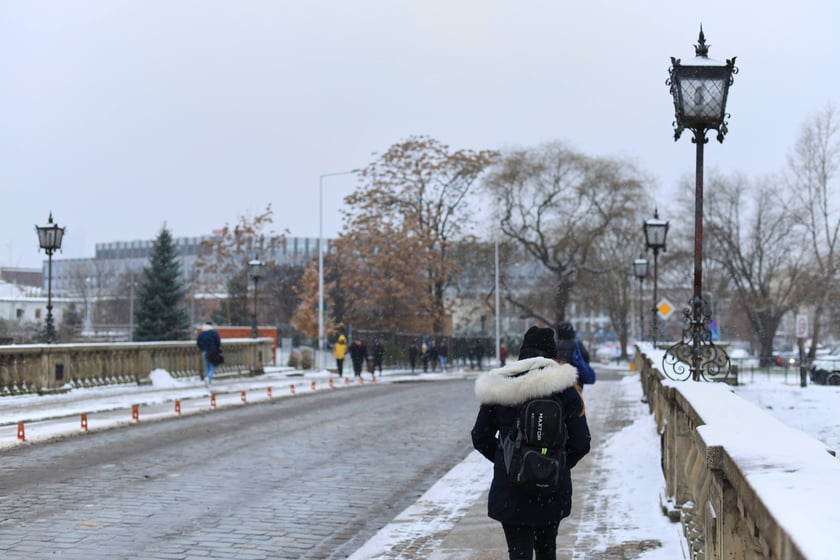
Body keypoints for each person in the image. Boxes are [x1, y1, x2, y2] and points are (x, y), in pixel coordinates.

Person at [471, 326, 591, 560]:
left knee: (519, 553)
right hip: (551, 488)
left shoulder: (499, 384)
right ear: (551, 353)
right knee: (547, 551)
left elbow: (480, 436)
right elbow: (581, 442)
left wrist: (508, 460)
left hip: (511, 488)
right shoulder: (564, 387)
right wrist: (554, 464)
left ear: (522, 352)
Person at [555, 321, 591, 387]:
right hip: (576, 381)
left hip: (558, 380)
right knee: (575, 396)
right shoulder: (577, 344)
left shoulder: (555, 345)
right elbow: (586, 359)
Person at [196, 322, 222, 389]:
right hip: (213, 351)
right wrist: (216, 348)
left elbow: (198, 343)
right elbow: (218, 341)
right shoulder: (213, 333)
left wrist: (203, 348)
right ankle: (208, 378)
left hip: (204, 352)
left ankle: (208, 383)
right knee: (213, 366)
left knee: (207, 366)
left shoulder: (201, 334)